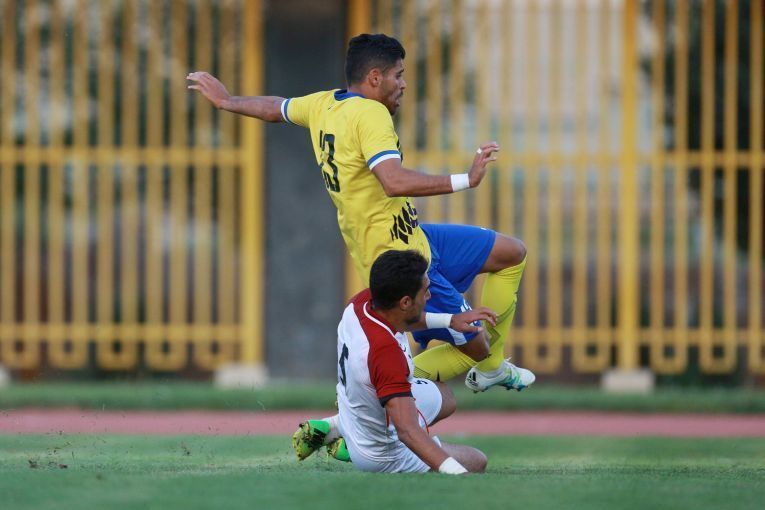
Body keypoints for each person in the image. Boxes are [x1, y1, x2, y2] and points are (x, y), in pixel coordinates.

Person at [188, 34, 534, 454]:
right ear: (374, 77)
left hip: (415, 234)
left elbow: (277, 108)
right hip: (399, 259)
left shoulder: (324, 103)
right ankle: (350, 422)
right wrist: (467, 179)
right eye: (398, 75)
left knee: (510, 253)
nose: (403, 84)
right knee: (475, 345)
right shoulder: (370, 114)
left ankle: (490, 368)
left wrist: (228, 101)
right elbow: (393, 181)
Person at [320, 249, 492, 473]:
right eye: (425, 290)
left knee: (446, 398)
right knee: (477, 461)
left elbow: (407, 319)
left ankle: (343, 423)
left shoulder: (360, 303)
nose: (429, 296)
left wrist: (450, 320)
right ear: (405, 302)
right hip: (381, 454)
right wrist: (456, 471)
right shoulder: (385, 354)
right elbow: (407, 432)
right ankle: (348, 434)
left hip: (354, 405)